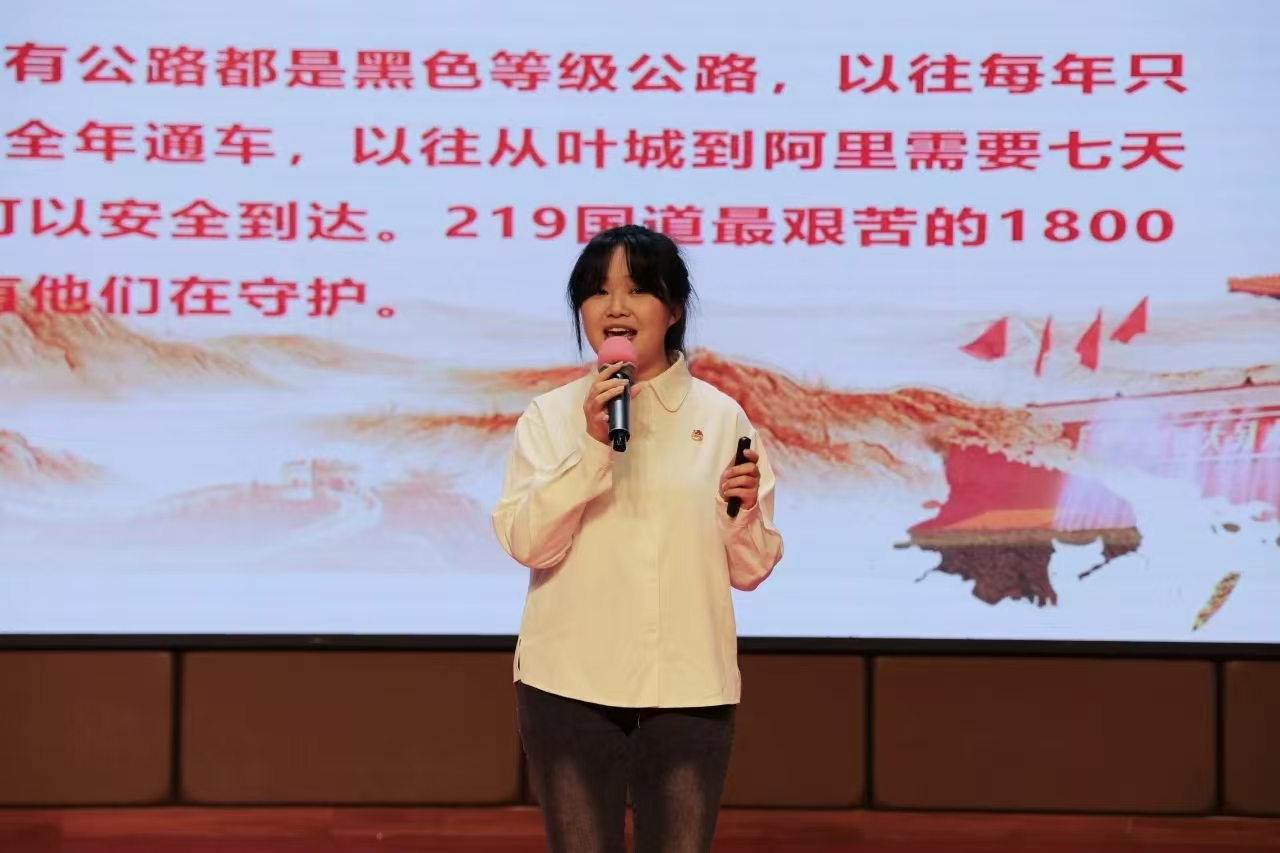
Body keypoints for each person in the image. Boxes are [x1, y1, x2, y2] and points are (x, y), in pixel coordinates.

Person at [491, 224, 785, 853]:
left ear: (673, 309)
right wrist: (592, 447)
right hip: (568, 684)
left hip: (688, 687)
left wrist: (737, 513)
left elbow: (752, 568)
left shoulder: (721, 417)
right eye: (597, 292)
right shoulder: (551, 417)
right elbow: (528, 543)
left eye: (637, 290)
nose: (616, 308)